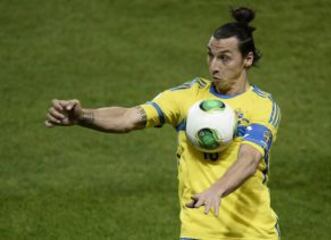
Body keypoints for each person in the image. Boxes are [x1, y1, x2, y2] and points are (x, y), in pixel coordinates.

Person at [45, 6, 281, 240]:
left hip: (254, 232)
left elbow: (249, 158)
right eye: (210, 54)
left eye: (224, 58)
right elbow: (128, 118)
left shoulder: (262, 105)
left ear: (247, 59)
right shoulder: (187, 96)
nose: (213, 66)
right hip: (199, 231)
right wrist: (82, 116)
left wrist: (216, 191)